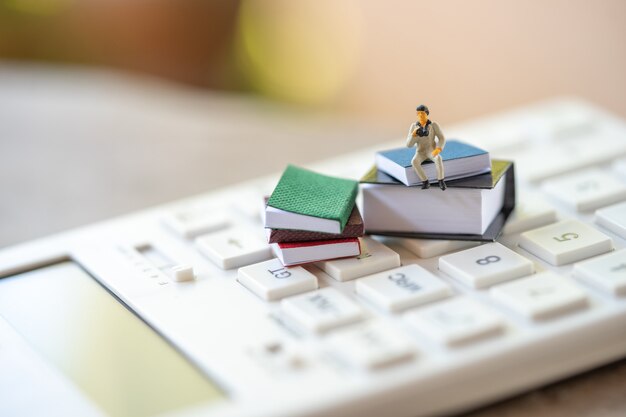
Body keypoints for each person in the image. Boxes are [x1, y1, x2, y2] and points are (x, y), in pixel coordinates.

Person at [406, 104, 447, 190]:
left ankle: (441, 180)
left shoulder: (434, 125)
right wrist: (413, 135)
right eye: (419, 113)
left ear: (427, 113)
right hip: (420, 152)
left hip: (431, 150)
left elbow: (442, 138)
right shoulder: (414, 126)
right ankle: (425, 181)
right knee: (414, 161)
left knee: (438, 158)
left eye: (423, 113)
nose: (421, 115)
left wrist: (439, 148)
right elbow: (409, 145)